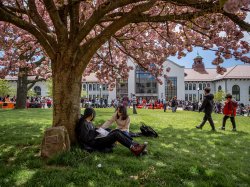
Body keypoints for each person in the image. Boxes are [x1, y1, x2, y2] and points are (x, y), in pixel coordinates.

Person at [75, 107, 147, 156]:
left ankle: (135, 146)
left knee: (116, 131)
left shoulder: (88, 122)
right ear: (92, 115)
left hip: (97, 138)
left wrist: (98, 130)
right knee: (116, 133)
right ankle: (134, 148)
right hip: (95, 142)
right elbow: (86, 139)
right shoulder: (84, 124)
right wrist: (96, 132)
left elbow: (91, 132)